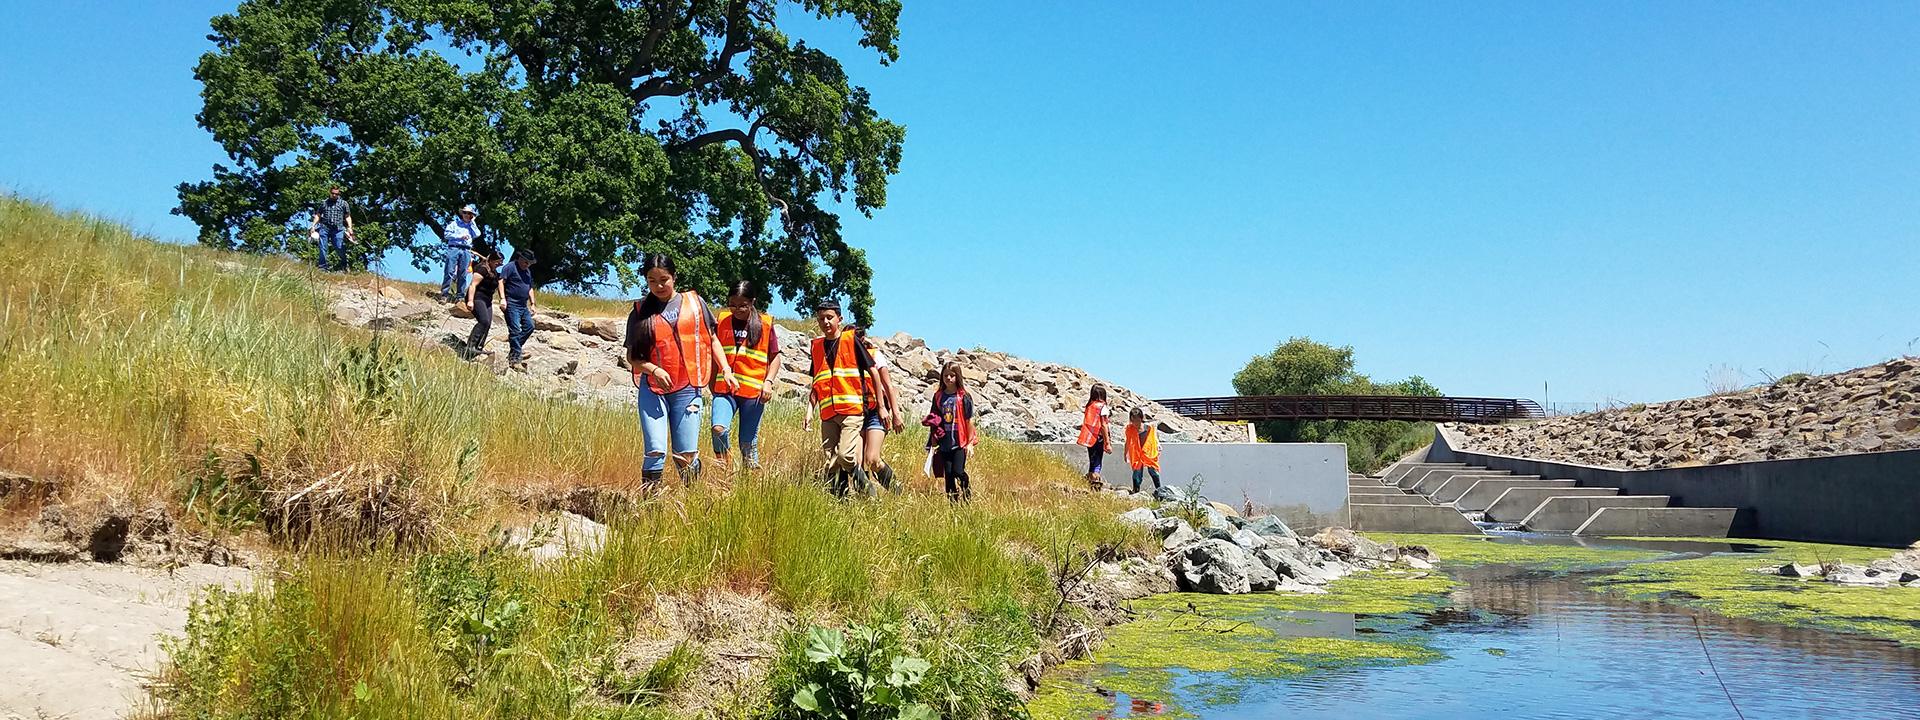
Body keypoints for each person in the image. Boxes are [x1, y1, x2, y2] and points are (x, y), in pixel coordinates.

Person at [623, 254, 735, 486]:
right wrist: (654, 369)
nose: (659, 285)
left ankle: (691, 497)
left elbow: (712, 339)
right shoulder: (639, 310)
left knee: (685, 455)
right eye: (652, 280)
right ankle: (650, 506)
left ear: (674, 277)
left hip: (687, 387)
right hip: (653, 388)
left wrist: (725, 368)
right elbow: (632, 357)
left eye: (664, 279)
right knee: (655, 449)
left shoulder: (695, 303)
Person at [804, 300, 878, 497]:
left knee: (845, 455)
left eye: (830, 317)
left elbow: (873, 370)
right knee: (831, 461)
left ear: (839, 319)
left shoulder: (850, 340)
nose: (825, 322)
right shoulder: (817, 346)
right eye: (821, 319)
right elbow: (817, 381)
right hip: (827, 413)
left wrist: (884, 407)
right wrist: (809, 411)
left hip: (851, 411)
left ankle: (863, 483)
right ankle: (840, 501)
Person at [710, 281, 779, 471]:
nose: (737, 309)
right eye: (732, 304)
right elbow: (714, 352)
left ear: (752, 302)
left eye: (743, 305)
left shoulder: (765, 324)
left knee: (747, 443)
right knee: (718, 429)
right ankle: (725, 470)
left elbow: (775, 358)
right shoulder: (721, 320)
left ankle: (751, 484)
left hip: (754, 394)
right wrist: (711, 382)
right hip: (725, 390)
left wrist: (768, 382)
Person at [856, 328, 903, 491]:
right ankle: (867, 498)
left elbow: (888, 386)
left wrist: (895, 414)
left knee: (872, 459)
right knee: (857, 461)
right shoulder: (847, 359)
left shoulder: (875, 355)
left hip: (876, 412)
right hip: (856, 412)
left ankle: (895, 488)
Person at [925, 361, 976, 501]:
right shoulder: (938, 396)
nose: (948, 378)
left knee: (958, 471)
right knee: (948, 475)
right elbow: (933, 419)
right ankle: (953, 504)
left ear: (957, 377)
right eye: (946, 375)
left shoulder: (963, 396)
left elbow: (970, 419)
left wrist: (970, 443)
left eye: (952, 375)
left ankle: (966, 491)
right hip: (945, 442)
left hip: (960, 442)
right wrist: (933, 442)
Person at [498, 248, 538, 370]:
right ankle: (515, 359)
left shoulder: (527, 272)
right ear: (520, 258)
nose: (527, 265)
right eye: (526, 262)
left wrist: (533, 303)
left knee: (530, 326)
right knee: (514, 329)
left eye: (529, 263)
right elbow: (501, 282)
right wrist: (502, 298)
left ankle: (516, 350)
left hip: (523, 305)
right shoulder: (510, 267)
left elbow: (530, 287)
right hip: (511, 303)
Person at [464, 247, 504, 360]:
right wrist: (470, 301)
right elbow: (473, 285)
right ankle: (470, 346)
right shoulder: (482, 270)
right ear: (491, 261)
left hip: (487, 300)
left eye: (500, 263)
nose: (499, 265)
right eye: (497, 262)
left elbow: (501, 282)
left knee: (488, 323)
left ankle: (479, 346)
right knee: (483, 320)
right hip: (477, 298)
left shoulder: (495, 273)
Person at [441, 204, 482, 303]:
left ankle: (460, 296)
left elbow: (477, 234)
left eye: (469, 213)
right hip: (454, 248)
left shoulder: (472, 226)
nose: (467, 215)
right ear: (462, 214)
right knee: (449, 271)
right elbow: (446, 234)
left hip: (466, 250)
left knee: (463, 273)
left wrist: (473, 222)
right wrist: (459, 236)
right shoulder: (454, 224)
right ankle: (444, 294)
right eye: (465, 213)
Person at [308, 187, 354, 271]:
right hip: (324, 228)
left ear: (339, 194)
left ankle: (344, 265)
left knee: (339, 247)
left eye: (336, 194)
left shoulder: (343, 204)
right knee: (323, 247)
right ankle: (322, 267)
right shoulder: (324, 203)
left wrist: (350, 228)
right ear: (330, 193)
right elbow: (318, 215)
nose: (334, 195)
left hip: (338, 229)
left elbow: (347, 216)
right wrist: (313, 226)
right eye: (333, 193)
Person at [1076, 385, 1111, 490]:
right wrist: (1107, 442)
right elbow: (1104, 425)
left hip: (1089, 438)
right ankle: (1095, 487)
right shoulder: (1102, 407)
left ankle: (1090, 484)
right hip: (1098, 438)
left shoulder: (1089, 406)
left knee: (1092, 462)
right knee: (1097, 464)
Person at [1125, 408, 1163, 494]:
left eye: (1137, 420)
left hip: (1148, 454)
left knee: (1153, 471)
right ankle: (1136, 491)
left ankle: (1160, 491)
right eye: (1133, 420)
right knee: (1137, 473)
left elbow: (1154, 439)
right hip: (1137, 454)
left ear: (1141, 419)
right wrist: (1125, 453)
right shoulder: (1129, 429)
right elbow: (1127, 441)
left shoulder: (1148, 428)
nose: (1135, 423)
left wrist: (1158, 446)